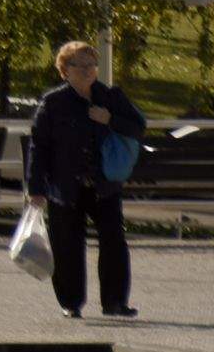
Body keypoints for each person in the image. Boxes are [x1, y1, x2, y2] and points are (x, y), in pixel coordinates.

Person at [27, 39, 145, 320]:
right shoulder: (53, 103)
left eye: (92, 64)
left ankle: (115, 302)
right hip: (65, 187)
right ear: (65, 69)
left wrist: (110, 119)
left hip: (103, 185)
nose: (88, 70)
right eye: (81, 65)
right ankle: (71, 302)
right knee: (67, 245)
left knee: (114, 241)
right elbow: (38, 145)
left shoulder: (109, 96)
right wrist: (36, 188)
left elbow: (138, 127)